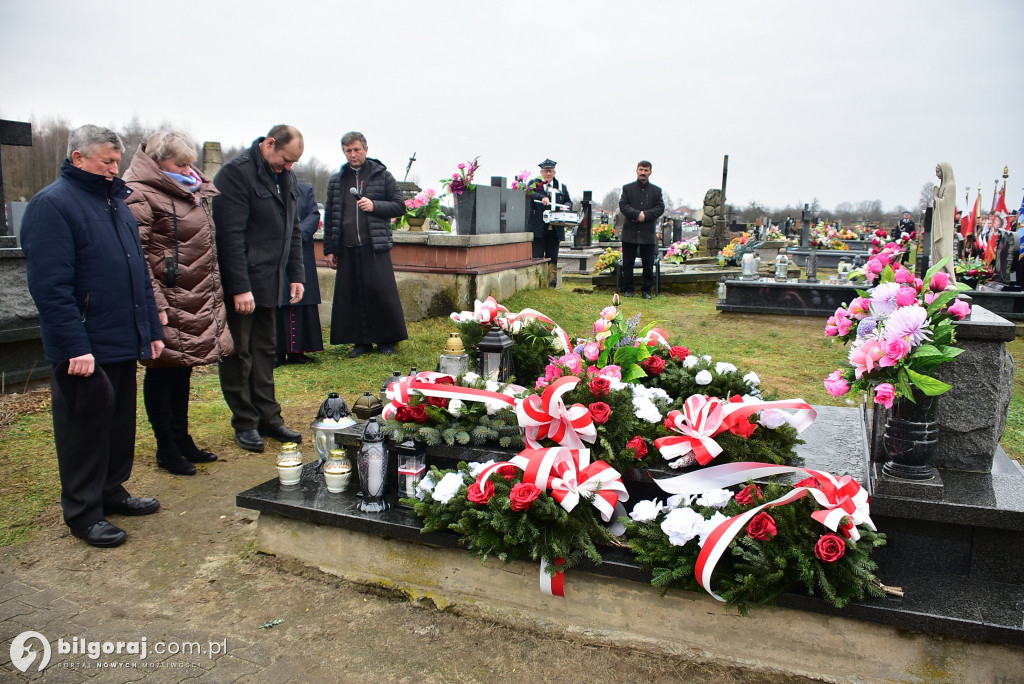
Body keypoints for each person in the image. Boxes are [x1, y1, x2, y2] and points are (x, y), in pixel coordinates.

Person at [21, 125, 164, 547]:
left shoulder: (114, 202)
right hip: (83, 345)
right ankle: (83, 512)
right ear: (78, 157)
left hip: (120, 335)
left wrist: (151, 330)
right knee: (83, 428)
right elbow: (51, 288)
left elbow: (137, 271)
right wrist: (74, 346)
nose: (114, 168)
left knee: (118, 423)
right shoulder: (52, 205)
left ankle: (111, 490)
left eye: (117, 161)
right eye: (106, 161)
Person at [122, 130, 234, 476]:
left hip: (191, 293)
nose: (188, 170)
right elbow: (135, 253)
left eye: (190, 163)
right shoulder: (139, 192)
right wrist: (156, 303)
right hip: (166, 297)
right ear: (157, 162)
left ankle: (182, 439)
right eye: (180, 163)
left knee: (181, 368)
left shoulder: (188, 188)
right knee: (162, 370)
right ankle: (166, 448)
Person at [213, 125, 305, 453]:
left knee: (266, 350)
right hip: (244, 282)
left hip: (272, 281)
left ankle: (269, 417)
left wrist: (296, 274)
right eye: (285, 159)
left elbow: (292, 228)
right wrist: (239, 287)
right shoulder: (235, 175)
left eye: (294, 162)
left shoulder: (286, 176)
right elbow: (229, 236)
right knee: (239, 352)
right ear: (269, 144)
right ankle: (245, 422)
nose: (289, 167)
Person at [323, 131, 407, 358]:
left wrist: (375, 206)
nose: (353, 154)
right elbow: (331, 215)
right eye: (348, 151)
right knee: (352, 295)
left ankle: (386, 340)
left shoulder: (382, 175)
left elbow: (400, 206)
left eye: (357, 150)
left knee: (380, 293)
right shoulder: (337, 180)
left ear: (366, 149)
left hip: (374, 244)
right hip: (348, 246)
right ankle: (360, 342)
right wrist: (330, 249)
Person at [275, 182, 323, 366]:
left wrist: (295, 235)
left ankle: (298, 351)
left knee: (301, 300)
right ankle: (276, 352)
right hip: (273, 252)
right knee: (276, 299)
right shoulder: (264, 188)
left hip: (300, 250)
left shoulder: (304, 190)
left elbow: (313, 214)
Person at [618, 160, 665, 299]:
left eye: (646, 170)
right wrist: (637, 214)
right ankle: (629, 289)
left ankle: (646, 290)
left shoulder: (656, 191)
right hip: (630, 232)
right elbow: (623, 205)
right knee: (627, 263)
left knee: (648, 264)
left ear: (650, 172)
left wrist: (646, 215)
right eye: (641, 169)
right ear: (637, 170)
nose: (643, 172)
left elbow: (660, 208)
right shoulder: (627, 188)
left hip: (647, 233)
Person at [527, 159, 571, 287]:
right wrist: (542, 197)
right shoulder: (534, 184)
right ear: (541, 172)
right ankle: (537, 283)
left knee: (553, 258)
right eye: (545, 171)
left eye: (550, 171)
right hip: (539, 228)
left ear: (554, 172)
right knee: (538, 257)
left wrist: (565, 206)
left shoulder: (561, 186)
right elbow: (529, 193)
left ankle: (552, 283)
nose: (548, 173)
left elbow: (568, 201)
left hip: (555, 228)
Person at [931, 163, 956, 280]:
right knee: (936, 248)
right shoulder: (943, 186)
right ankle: (939, 274)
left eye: (938, 172)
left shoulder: (950, 186)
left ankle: (946, 276)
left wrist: (936, 197)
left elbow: (946, 204)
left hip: (944, 225)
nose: (937, 175)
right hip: (938, 222)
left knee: (943, 248)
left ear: (945, 171)